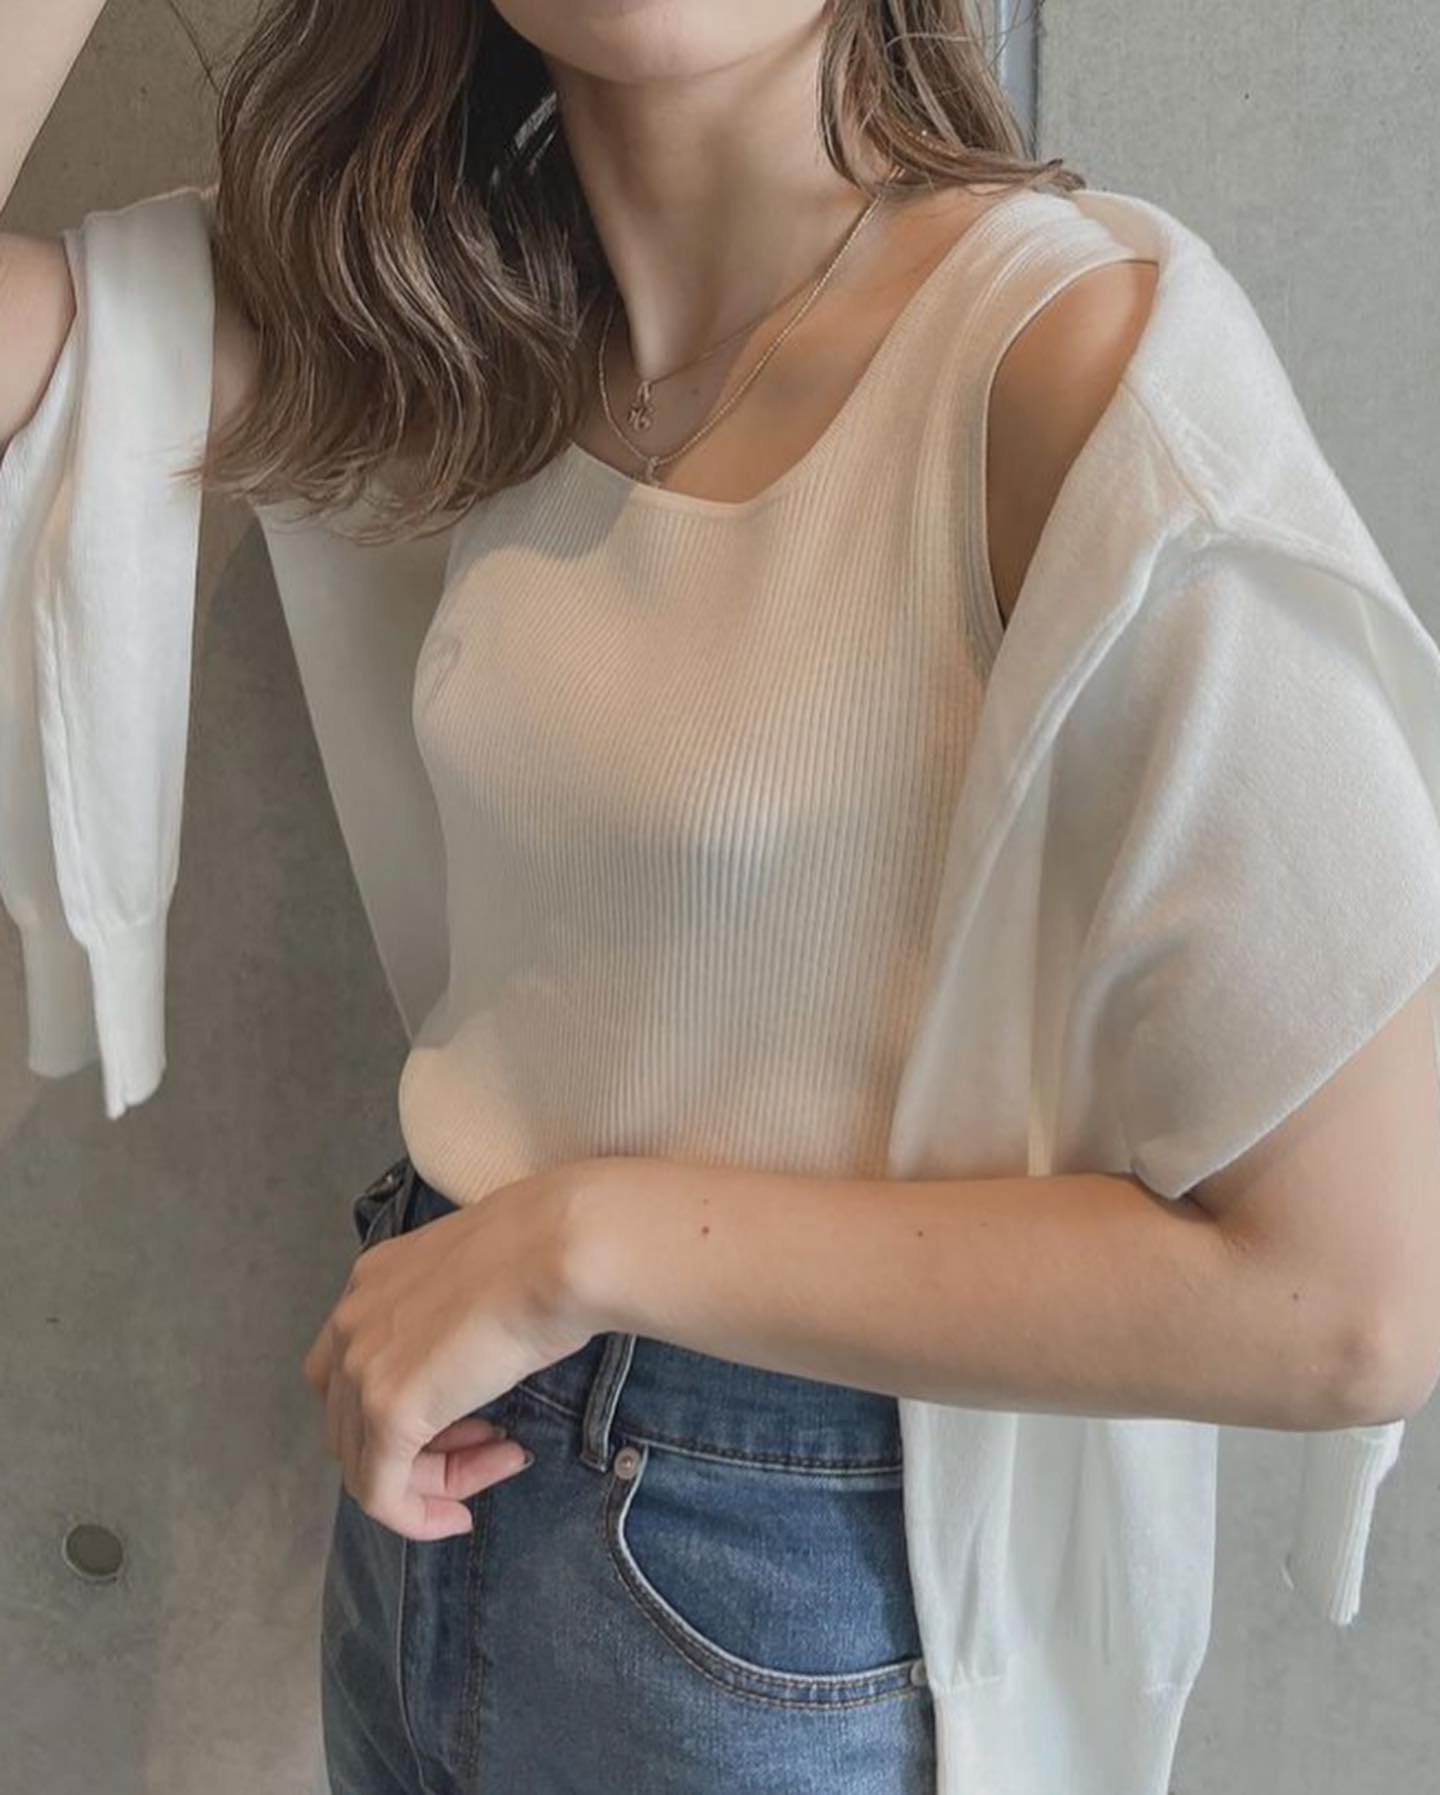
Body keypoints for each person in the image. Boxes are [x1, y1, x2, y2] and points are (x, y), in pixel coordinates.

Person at [7, 5, 1440, 1795]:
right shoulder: (464, 333)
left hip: (771, 1594)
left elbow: (1356, 1299)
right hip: (427, 1503)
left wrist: (578, 1247)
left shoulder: (1063, 364)